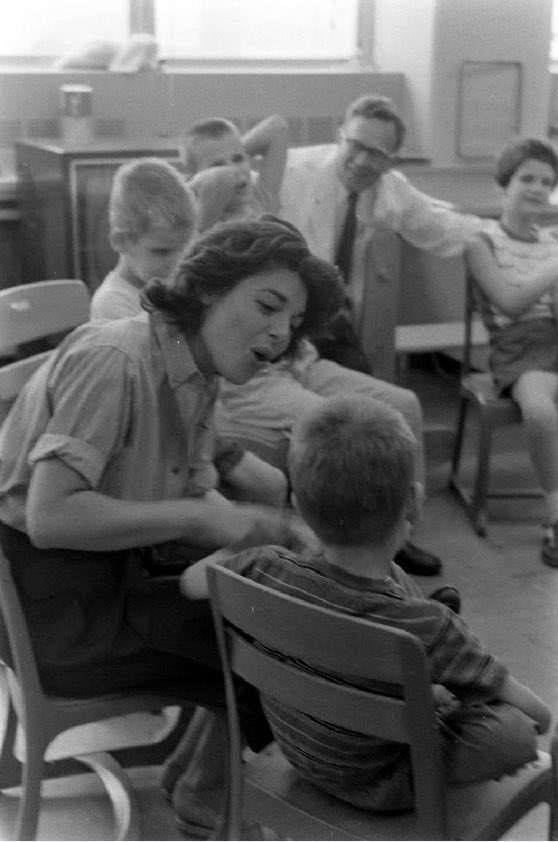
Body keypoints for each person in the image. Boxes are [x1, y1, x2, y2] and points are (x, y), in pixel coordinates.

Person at [0, 216, 342, 830]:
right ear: (209, 287)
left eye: (291, 324)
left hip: (102, 572)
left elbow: (190, 492)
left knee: (284, 591)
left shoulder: (193, 369)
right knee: (282, 636)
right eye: (268, 305)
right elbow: (51, 517)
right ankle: (207, 790)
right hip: (56, 606)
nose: (279, 332)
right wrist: (204, 520)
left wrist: (269, 528)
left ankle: (192, 777)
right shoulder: (118, 359)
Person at [182, 395, 551, 813]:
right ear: (413, 501)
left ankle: (424, 677)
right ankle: (437, 677)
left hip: (299, 752)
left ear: (300, 505)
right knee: (510, 732)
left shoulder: (265, 567)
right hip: (391, 782)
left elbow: (191, 582)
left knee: (398, 595)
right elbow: (539, 717)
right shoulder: (428, 625)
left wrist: (253, 537)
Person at [183, 111, 442, 577]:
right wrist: (208, 188)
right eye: (217, 164)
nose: (234, 170)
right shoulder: (199, 234)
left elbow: (280, 127)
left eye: (240, 158)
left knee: (402, 406)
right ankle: (337, 564)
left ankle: (398, 534)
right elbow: (185, 287)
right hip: (253, 382)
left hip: (300, 359)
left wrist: (234, 163)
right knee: (337, 434)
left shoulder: (260, 199)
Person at [90, 156, 287, 510]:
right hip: (160, 443)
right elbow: (174, 377)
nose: (176, 262)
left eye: (184, 248)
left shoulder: (170, 287)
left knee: (274, 485)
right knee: (245, 509)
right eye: (162, 250)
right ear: (121, 240)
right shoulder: (114, 306)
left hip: (199, 428)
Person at [279, 93, 484, 371]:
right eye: (356, 145)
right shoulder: (293, 172)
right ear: (340, 136)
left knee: (365, 388)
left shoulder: (392, 190)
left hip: (334, 321)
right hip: (283, 313)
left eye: (377, 153)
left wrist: (510, 233)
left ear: (391, 161)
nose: (363, 161)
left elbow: (446, 228)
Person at [465, 136, 558, 567]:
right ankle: (556, 513)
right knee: (539, 410)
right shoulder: (480, 242)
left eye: (548, 181)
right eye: (528, 179)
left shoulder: (552, 240)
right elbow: (511, 302)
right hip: (518, 345)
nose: (539, 189)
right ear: (505, 184)